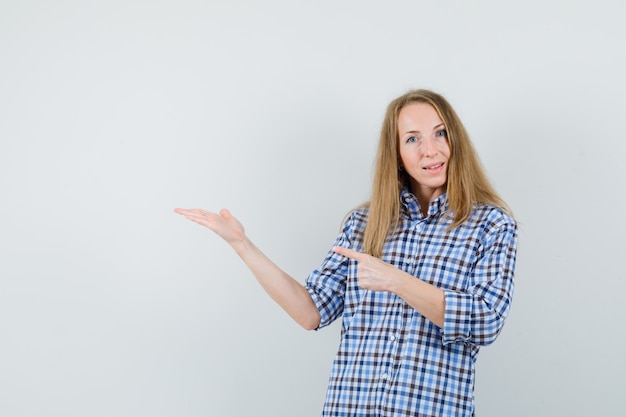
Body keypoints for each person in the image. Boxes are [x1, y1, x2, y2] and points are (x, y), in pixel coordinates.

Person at [175, 89, 518, 416]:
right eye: (412, 139)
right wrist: (242, 245)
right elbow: (311, 311)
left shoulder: (491, 225)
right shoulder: (364, 225)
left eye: (440, 133)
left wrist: (397, 281)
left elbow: (485, 321)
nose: (430, 150)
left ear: (455, 140)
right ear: (396, 153)